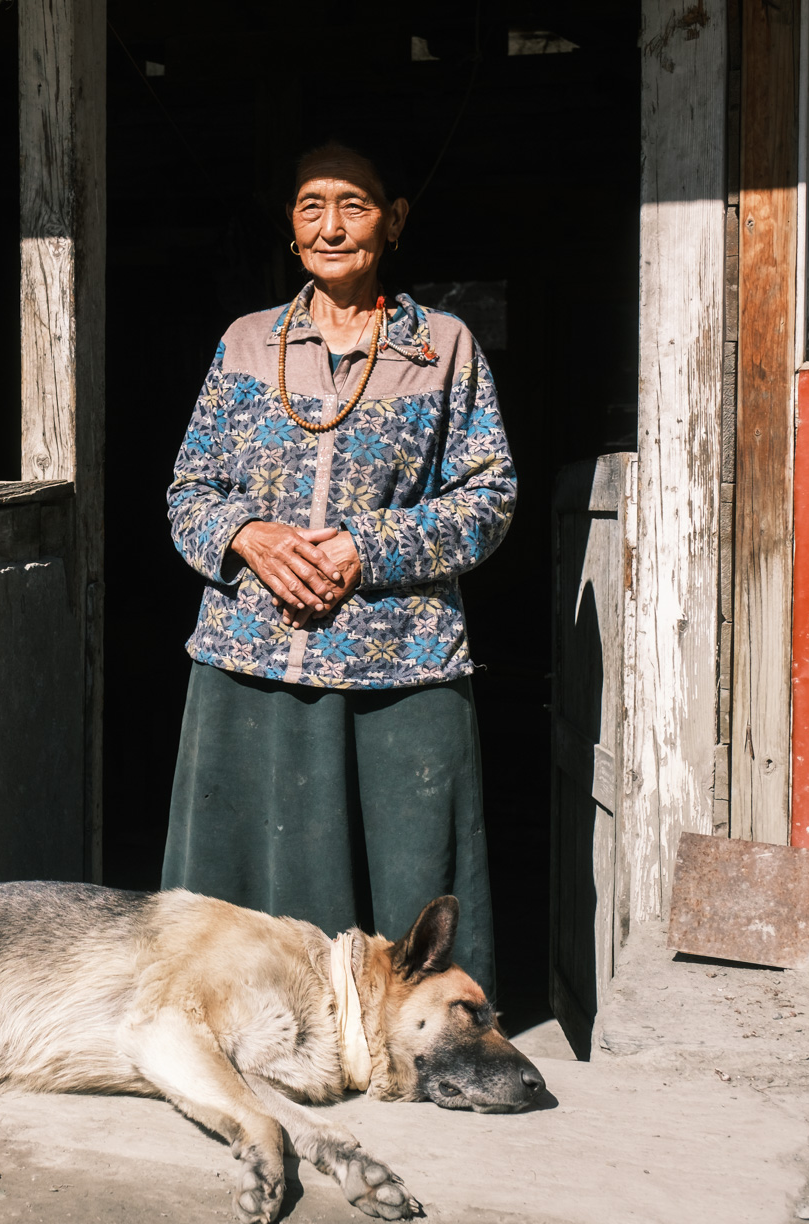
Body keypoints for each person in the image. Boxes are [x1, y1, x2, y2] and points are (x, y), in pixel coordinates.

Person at [160, 141, 516, 995]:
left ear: (393, 222)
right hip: (252, 663)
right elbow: (188, 491)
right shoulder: (247, 344)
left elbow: (491, 495)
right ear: (290, 225)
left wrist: (369, 545)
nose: (331, 225)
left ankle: (417, 1047)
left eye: (354, 205)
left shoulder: (443, 347)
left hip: (400, 664)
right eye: (311, 204)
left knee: (411, 901)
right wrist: (248, 535)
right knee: (236, 919)